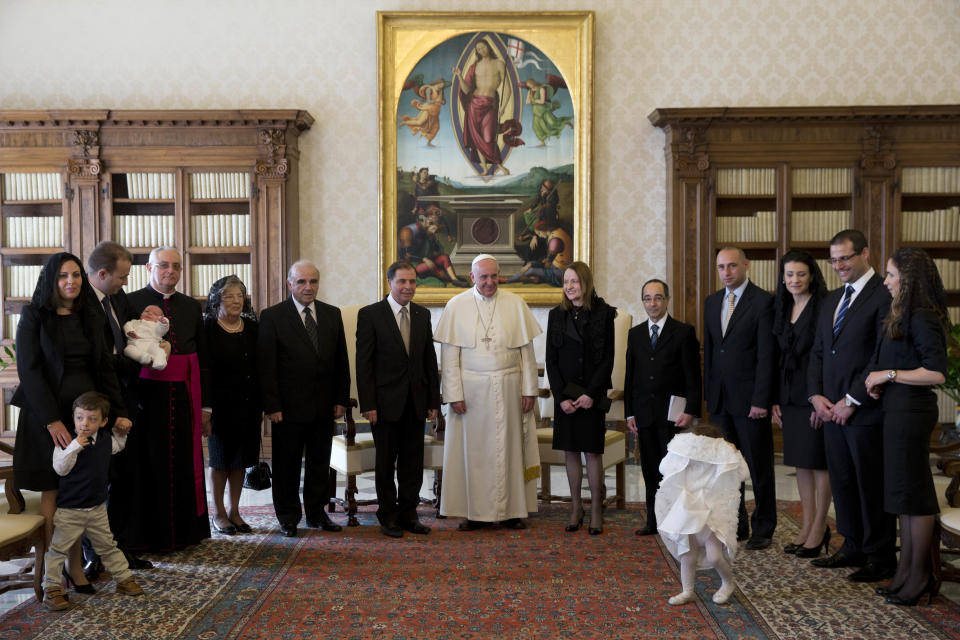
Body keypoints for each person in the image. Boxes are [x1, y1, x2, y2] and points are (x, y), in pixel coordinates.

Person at [12, 251, 131, 593]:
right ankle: (53, 575)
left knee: (77, 496)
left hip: (85, 419)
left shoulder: (89, 315)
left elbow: (105, 368)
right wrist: (52, 420)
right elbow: (29, 370)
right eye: (64, 275)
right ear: (52, 279)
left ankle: (75, 568)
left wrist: (118, 411)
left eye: (77, 275)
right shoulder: (34, 315)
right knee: (54, 491)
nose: (71, 281)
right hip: (47, 418)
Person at [808, 230, 896, 581]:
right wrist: (816, 397)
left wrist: (851, 400)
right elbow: (818, 351)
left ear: (865, 254)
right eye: (834, 260)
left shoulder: (883, 295)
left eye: (845, 257)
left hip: (865, 411)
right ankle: (853, 546)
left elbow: (880, 354)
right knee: (843, 482)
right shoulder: (830, 299)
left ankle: (880, 557)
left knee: (869, 484)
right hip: (829, 411)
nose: (839, 265)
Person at [863, 248, 948, 606]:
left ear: (909, 279)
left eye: (891, 275)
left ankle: (921, 575)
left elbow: (936, 371)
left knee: (914, 495)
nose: (886, 281)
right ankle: (905, 573)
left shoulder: (924, 317)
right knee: (903, 495)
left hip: (913, 414)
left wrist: (889, 374)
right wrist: (883, 380)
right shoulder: (902, 314)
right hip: (897, 411)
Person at [434, 254, 542, 530]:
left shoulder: (515, 303)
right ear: (472, 277)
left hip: (509, 387)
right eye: (483, 277)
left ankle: (513, 511)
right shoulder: (456, 305)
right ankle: (474, 513)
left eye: (494, 276)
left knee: (511, 450)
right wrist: (453, 394)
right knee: (474, 454)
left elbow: (526, 354)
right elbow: (449, 357)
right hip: (471, 394)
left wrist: (529, 389)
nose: (489, 282)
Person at [127, 247, 211, 551]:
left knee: (185, 462)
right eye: (163, 265)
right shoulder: (131, 301)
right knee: (148, 464)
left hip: (185, 394)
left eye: (176, 266)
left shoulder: (190, 305)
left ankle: (187, 533)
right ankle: (150, 536)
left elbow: (203, 357)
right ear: (150, 267)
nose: (170, 271)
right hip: (145, 399)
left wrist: (206, 406)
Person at [258, 260, 350, 538]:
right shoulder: (273, 316)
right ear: (290, 284)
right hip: (287, 408)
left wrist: (340, 399)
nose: (308, 287)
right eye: (301, 282)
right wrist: (272, 405)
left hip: (323, 405)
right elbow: (267, 365)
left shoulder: (332, 314)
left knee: (320, 463)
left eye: (313, 282)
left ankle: (316, 513)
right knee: (286, 465)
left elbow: (341, 362)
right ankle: (288, 517)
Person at [85, 241, 156, 575]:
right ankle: (94, 555)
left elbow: (132, 334)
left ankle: (121, 549)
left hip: (127, 398)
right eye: (122, 276)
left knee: (127, 479)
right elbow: (100, 362)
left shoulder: (117, 297)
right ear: (102, 273)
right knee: (97, 482)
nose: (125, 283)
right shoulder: (82, 303)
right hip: (96, 405)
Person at [355, 261, 441, 538]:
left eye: (412, 282)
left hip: (416, 402)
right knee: (385, 463)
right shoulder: (370, 315)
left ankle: (409, 514)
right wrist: (368, 404)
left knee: (412, 463)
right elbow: (363, 364)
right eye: (402, 281)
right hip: (383, 404)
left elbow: (429, 360)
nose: (408, 287)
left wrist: (433, 402)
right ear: (390, 282)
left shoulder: (422, 314)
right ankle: (387, 515)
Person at [702, 247, 777, 550]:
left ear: (746, 265)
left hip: (750, 402)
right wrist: (709, 394)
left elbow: (766, 356)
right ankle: (738, 521)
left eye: (732, 266)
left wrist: (762, 399)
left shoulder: (763, 302)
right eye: (721, 267)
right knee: (728, 467)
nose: (726, 272)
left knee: (758, 465)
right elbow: (710, 351)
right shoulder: (712, 302)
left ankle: (764, 525)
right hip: (721, 400)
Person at [42, 392, 143, 611]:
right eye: (80, 418)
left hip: (97, 508)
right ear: (73, 417)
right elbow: (60, 467)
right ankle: (52, 589)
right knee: (58, 549)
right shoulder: (66, 440)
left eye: (92, 419)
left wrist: (122, 432)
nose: (84, 424)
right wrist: (76, 445)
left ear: (104, 421)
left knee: (108, 545)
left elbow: (116, 447)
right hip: (70, 509)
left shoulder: (105, 438)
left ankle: (124, 579)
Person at [625, 278, 701, 536]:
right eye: (647, 298)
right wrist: (630, 412)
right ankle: (654, 521)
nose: (653, 303)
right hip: (644, 413)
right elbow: (631, 376)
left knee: (674, 470)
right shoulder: (635, 334)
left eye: (658, 297)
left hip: (673, 414)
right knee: (649, 468)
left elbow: (693, 376)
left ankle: (677, 521)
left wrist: (691, 410)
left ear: (667, 300)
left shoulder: (683, 332)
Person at [545, 262, 615, 535]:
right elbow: (551, 361)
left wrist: (590, 394)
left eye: (574, 281)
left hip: (591, 397)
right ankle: (576, 506)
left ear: (585, 283)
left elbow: (607, 359)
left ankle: (596, 507)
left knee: (592, 452)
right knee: (570, 451)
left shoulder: (604, 313)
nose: (570, 287)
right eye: (566, 282)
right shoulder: (555, 315)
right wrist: (561, 397)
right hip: (565, 398)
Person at [771, 250, 832, 557]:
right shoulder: (782, 307)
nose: (795, 280)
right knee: (800, 464)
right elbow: (778, 358)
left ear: (812, 276)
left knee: (819, 463)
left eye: (801, 274)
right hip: (789, 397)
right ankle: (807, 525)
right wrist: (775, 400)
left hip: (815, 396)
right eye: (789, 275)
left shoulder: (824, 306)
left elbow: (824, 358)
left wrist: (820, 401)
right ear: (783, 278)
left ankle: (820, 527)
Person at [655, 424, 749, 606]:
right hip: (689, 512)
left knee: (715, 556)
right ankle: (687, 591)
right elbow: (663, 467)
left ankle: (728, 583)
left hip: (712, 515)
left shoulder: (722, 459)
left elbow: (743, 473)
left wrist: (734, 452)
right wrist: (679, 451)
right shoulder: (685, 457)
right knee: (687, 555)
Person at [203, 275, 261, 535]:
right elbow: (204, 370)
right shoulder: (208, 329)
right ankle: (219, 513)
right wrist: (205, 407)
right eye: (229, 296)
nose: (236, 301)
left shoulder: (252, 327)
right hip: (218, 407)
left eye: (240, 296)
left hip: (248, 405)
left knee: (240, 461)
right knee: (220, 461)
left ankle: (235, 511)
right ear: (217, 300)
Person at [453, 39, 511, 176]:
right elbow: (467, 91)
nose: (481, 51)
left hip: (490, 104)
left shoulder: (499, 64)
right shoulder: (474, 66)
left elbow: (507, 88)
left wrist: (503, 106)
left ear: (488, 47)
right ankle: (485, 168)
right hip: (474, 104)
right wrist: (460, 76)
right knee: (477, 138)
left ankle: (499, 165)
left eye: (483, 47)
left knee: (488, 137)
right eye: (478, 49)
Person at [523, 77, 574, 146]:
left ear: (533, 82)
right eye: (528, 85)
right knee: (536, 127)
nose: (530, 86)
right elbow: (527, 102)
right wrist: (530, 99)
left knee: (553, 123)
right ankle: (543, 142)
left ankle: (566, 122)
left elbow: (542, 101)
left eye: (530, 84)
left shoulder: (541, 89)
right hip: (536, 112)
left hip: (543, 110)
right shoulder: (530, 91)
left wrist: (534, 100)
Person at [122, 305, 169, 369]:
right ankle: (143, 358)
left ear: (159, 319)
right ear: (141, 314)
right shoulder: (134, 322)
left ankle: (160, 363)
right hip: (134, 344)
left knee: (159, 351)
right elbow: (127, 325)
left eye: (155, 314)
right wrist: (130, 331)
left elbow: (163, 329)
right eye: (146, 311)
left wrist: (163, 323)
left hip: (151, 345)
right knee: (127, 350)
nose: (149, 313)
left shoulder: (157, 326)